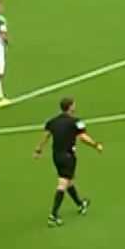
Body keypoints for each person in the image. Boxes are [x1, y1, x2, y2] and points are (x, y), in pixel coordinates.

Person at [33, 96, 103, 225]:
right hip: (68, 156)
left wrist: (38, 149)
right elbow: (83, 137)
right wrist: (96, 145)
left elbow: (45, 136)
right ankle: (53, 215)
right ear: (70, 106)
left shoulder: (52, 122)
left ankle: (80, 204)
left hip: (56, 156)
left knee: (68, 180)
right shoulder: (76, 122)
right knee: (63, 183)